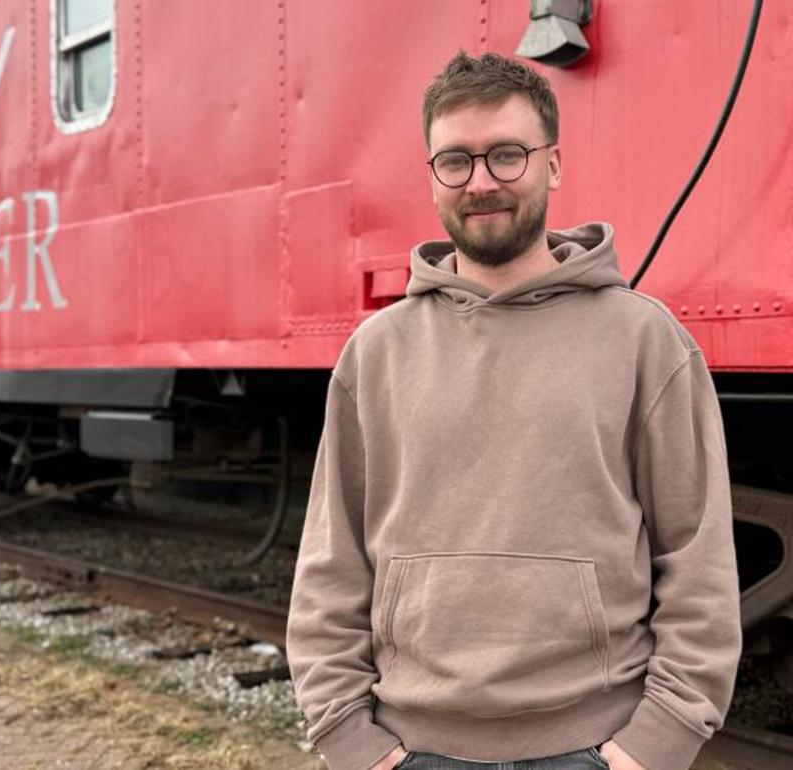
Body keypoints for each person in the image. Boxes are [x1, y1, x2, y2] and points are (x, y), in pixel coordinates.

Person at [285, 51, 742, 770]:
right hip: (412, 750)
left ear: (552, 165)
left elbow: (700, 565)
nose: (482, 182)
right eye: (455, 162)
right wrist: (352, 743)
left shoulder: (645, 341)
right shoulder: (376, 354)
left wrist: (653, 746)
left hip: (589, 748)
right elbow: (329, 567)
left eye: (507, 155)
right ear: (432, 176)